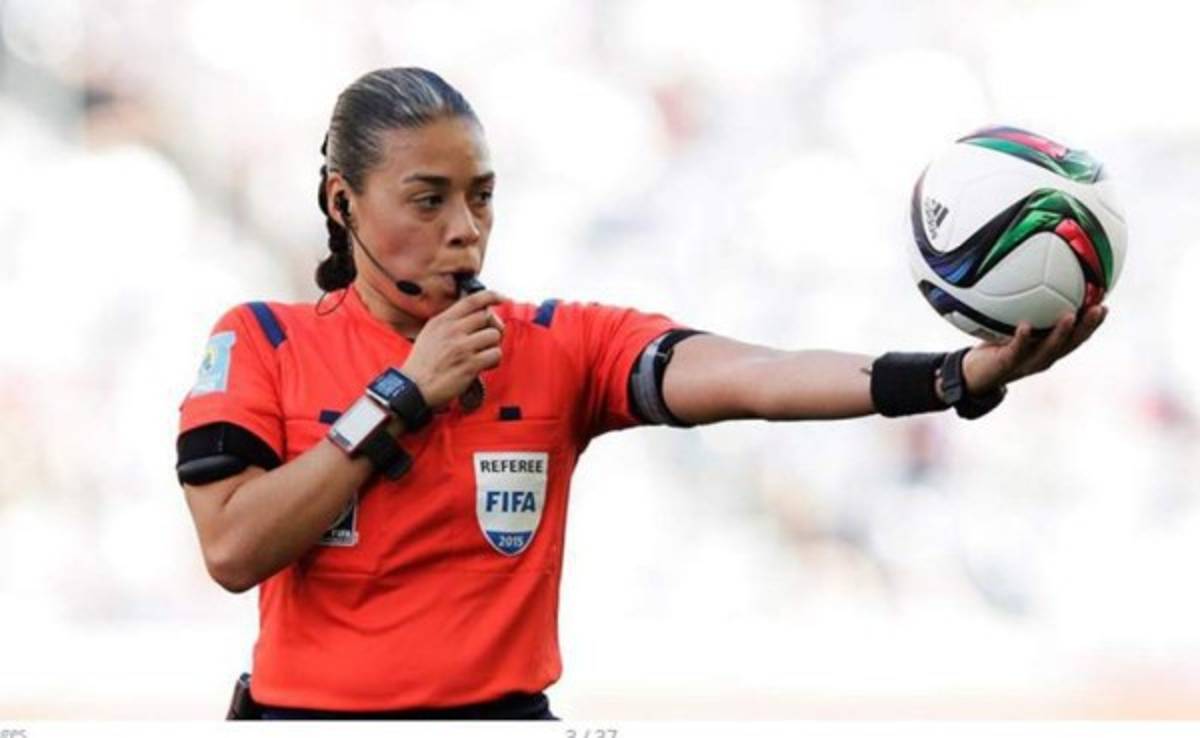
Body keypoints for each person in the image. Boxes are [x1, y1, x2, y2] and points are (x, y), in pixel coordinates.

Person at [175, 67, 1105, 720]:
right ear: (342, 202)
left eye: (482, 196)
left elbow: (757, 376)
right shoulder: (261, 340)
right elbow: (233, 549)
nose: (466, 230)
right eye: (429, 200)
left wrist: (951, 377)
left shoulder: (558, 344)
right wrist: (402, 396)